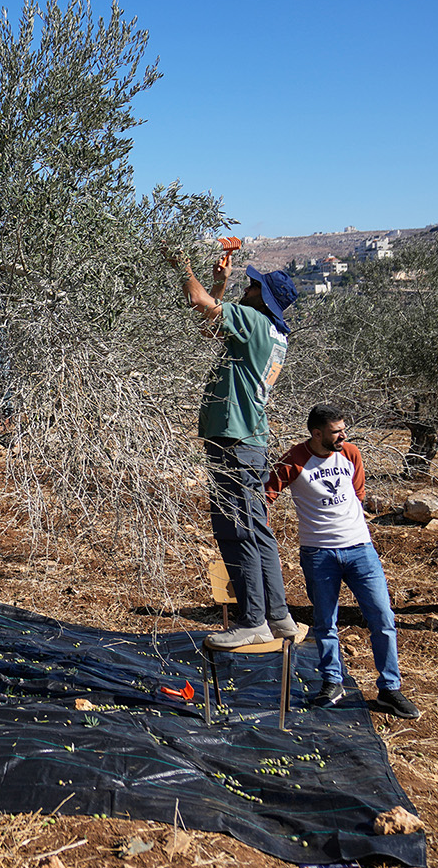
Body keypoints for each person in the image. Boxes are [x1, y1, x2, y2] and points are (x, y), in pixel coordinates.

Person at [169, 248, 300, 648]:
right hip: (249, 439)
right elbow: (210, 325)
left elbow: (198, 303)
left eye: (254, 286)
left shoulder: (254, 320)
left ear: (264, 298)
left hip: (235, 439)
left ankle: (252, 621)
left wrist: (182, 267)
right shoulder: (272, 331)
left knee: (236, 529)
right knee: (257, 530)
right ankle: (279, 618)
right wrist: (220, 282)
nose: (249, 288)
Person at [267, 404, 420, 719]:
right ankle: (331, 683)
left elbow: (358, 494)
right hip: (318, 554)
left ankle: (390, 689)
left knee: (382, 618)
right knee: (325, 623)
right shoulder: (294, 460)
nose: (343, 436)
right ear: (317, 433)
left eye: (343, 429)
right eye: (337, 431)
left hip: (361, 550)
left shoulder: (350, 453)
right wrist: (264, 540)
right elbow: (266, 496)